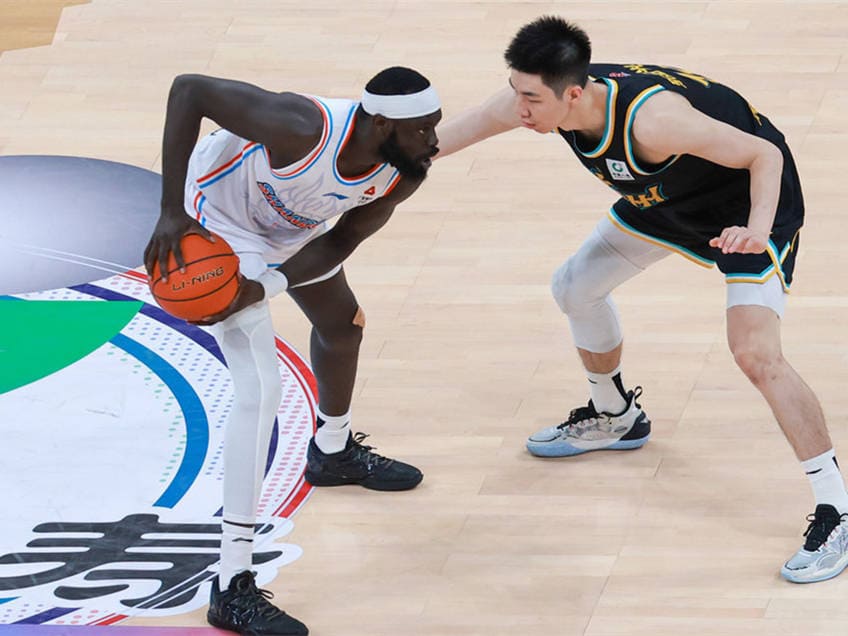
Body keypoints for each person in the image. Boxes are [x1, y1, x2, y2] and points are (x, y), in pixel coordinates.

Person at [435, 15, 848, 584]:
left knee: (755, 354)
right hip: (665, 200)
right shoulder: (543, 94)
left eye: (530, 99)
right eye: (515, 92)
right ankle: (615, 416)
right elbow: (441, 141)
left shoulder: (654, 121)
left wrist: (756, 229)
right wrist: (362, 175)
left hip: (747, 205)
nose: (518, 108)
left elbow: (764, 156)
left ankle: (837, 509)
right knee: (574, 287)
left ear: (573, 94)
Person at [144, 67, 441, 635]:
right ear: (381, 124)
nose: (433, 141)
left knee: (343, 327)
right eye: (422, 129)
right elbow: (188, 89)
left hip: (290, 230)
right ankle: (232, 584)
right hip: (218, 218)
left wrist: (268, 285)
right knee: (261, 390)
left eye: (435, 126)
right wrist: (171, 211)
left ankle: (332, 451)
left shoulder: (403, 172)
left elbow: (342, 238)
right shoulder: (302, 127)